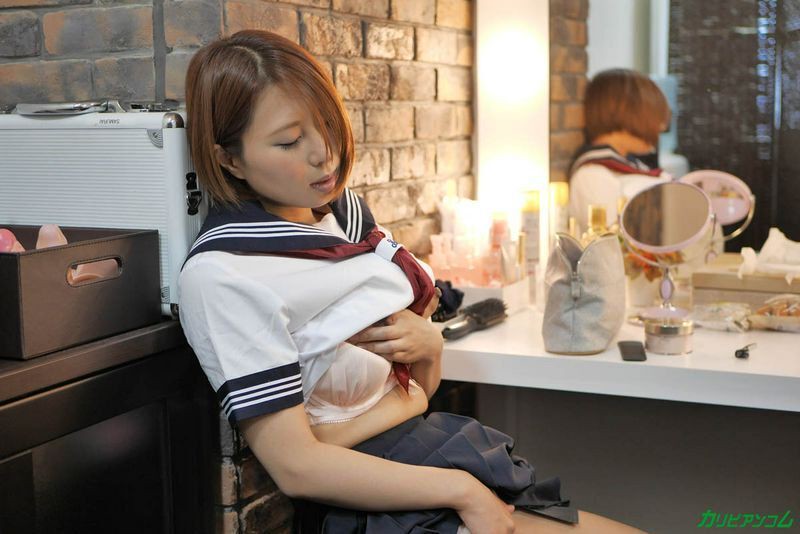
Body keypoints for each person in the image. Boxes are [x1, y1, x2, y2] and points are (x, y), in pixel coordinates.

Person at [178, 30, 642, 533]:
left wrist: (430, 348)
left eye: (328, 124)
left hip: (427, 457)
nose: (324, 152)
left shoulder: (344, 220)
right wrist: (461, 489)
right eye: (290, 141)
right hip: (370, 503)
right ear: (229, 158)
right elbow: (296, 467)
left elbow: (417, 391)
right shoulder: (225, 272)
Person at [569, 68, 672, 233]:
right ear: (627, 113)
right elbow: (612, 240)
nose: (661, 127)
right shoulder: (593, 175)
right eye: (655, 116)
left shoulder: (631, 165)